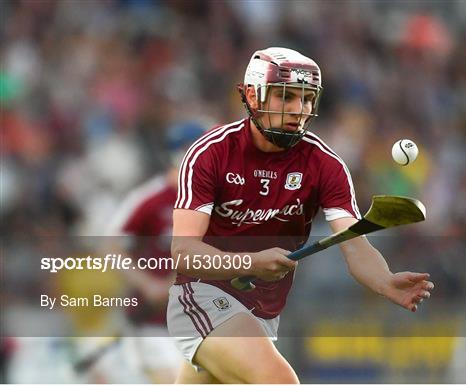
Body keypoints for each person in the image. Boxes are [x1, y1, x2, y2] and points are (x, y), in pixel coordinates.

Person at [168, 47, 434, 384]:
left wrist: (383, 280)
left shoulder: (325, 165)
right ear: (252, 95)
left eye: (307, 99)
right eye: (285, 97)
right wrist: (251, 263)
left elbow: (355, 245)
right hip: (202, 296)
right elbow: (183, 253)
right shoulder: (211, 153)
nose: (299, 109)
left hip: (262, 312)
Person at [105, 122, 206, 383]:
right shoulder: (150, 198)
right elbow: (111, 247)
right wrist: (148, 285)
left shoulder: (216, 202)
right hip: (155, 323)